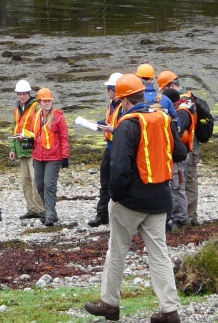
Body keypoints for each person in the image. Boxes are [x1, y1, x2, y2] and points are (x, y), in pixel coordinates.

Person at [84, 74, 186, 323]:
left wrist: (116, 198)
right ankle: (169, 310)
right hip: (160, 199)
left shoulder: (127, 125)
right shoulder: (163, 118)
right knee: (159, 255)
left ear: (123, 100)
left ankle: (110, 304)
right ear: (142, 94)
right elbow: (180, 153)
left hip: (130, 202)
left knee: (117, 252)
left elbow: (118, 169)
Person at [158, 71, 202, 228]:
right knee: (185, 183)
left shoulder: (183, 107)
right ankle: (191, 216)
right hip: (189, 147)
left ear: (170, 86)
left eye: (163, 89)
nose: (162, 94)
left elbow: (178, 131)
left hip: (188, 148)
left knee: (184, 184)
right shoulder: (187, 100)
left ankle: (185, 218)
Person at [89, 73, 125, 227]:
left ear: (115, 90)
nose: (107, 91)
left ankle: (118, 215)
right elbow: (111, 122)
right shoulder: (112, 104)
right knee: (105, 182)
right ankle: (102, 215)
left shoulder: (124, 106)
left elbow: (126, 129)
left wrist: (112, 129)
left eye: (108, 88)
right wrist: (97, 124)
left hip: (119, 148)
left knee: (118, 182)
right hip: (110, 147)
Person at [31, 87, 69, 226]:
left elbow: (65, 137)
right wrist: (28, 139)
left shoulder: (59, 117)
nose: (47, 103)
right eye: (45, 101)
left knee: (49, 185)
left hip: (54, 157)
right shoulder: (36, 117)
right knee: (40, 185)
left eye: (49, 101)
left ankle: (49, 215)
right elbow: (32, 134)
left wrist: (65, 156)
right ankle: (50, 211)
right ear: (40, 102)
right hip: (38, 156)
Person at [9, 80, 45, 220]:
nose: (21, 96)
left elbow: (41, 128)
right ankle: (32, 209)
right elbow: (14, 128)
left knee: (36, 180)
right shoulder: (17, 108)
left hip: (33, 149)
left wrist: (29, 136)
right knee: (25, 181)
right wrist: (13, 148)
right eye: (19, 94)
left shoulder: (36, 107)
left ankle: (42, 210)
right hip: (21, 149)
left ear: (28, 93)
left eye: (23, 94)